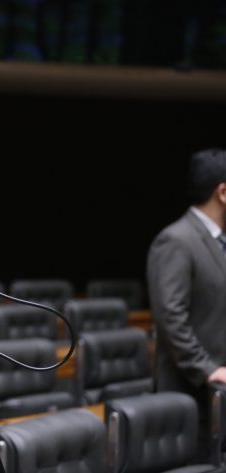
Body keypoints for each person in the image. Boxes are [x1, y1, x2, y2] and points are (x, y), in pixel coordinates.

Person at [147, 147, 226, 460]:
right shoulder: (176, 240)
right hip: (192, 396)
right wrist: (208, 369)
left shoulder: (219, 242)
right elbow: (170, 317)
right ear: (223, 192)